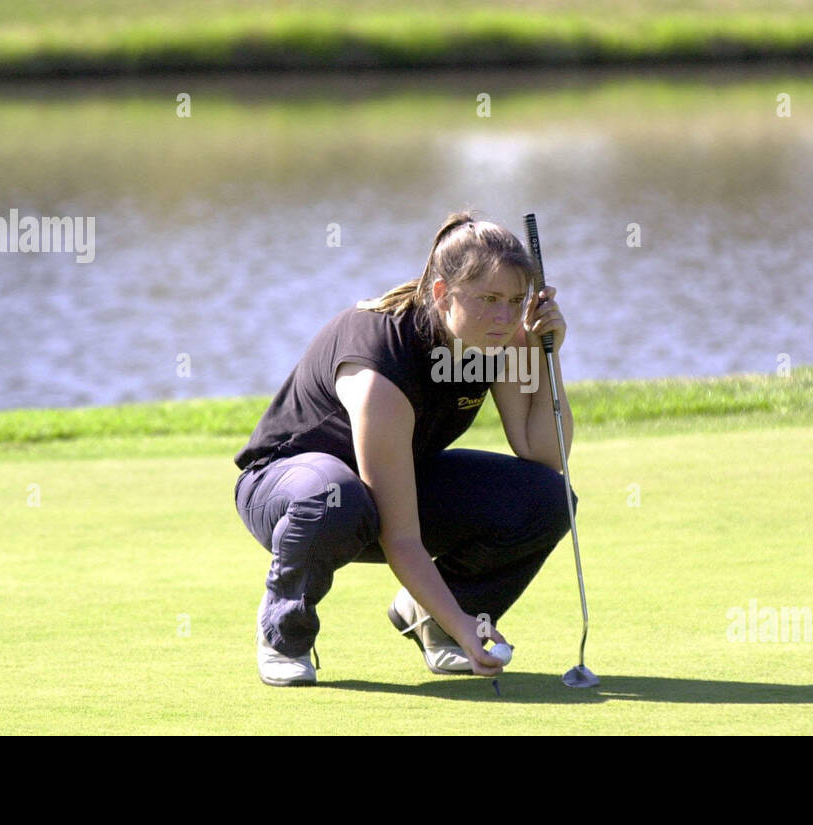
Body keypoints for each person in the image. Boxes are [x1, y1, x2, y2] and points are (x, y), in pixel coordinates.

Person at [233, 209, 577, 686]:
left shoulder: (503, 341)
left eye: (517, 300)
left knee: (547, 496)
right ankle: (283, 632)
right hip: (289, 490)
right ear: (442, 293)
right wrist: (469, 630)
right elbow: (402, 539)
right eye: (489, 299)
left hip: (392, 485)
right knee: (336, 495)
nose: (504, 316)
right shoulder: (381, 367)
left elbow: (544, 454)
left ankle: (435, 621)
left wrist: (548, 354)